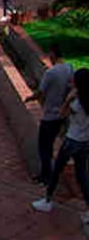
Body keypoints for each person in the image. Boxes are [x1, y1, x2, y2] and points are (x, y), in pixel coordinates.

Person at [30, 68, 89, 230]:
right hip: (84, 142)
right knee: (82, 175)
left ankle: (48, 200)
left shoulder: (76, 103)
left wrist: (68, 99)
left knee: (57, 170)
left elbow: (62, 114)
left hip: (71, 141)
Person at [26, 43, 74, 185]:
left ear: (52, 54)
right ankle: (49, 174)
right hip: (62, 114)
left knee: (44, 146)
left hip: (50, 115)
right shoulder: (70, 68)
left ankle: (46, 176)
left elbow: (41, 92)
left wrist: (30, 98)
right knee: (51, 144)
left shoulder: (51, 73)